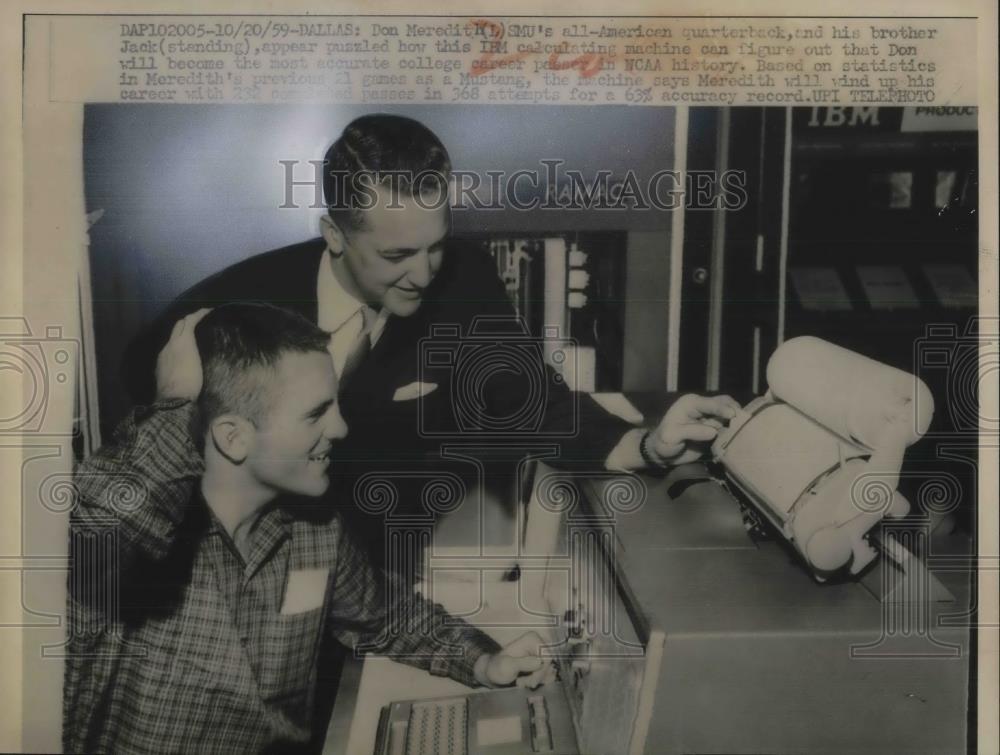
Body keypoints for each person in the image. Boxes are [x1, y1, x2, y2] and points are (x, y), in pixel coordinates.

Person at [122, 114, 740, 564]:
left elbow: (528, 402)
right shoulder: (230, 311)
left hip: (386, 574)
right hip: (250, 584)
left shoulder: (463, 279)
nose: (422, 273)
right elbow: (157, 456)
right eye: (396, 254)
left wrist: (648, 446)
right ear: (334, 234)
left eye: (435, 245)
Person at [65, 304, 556, 754]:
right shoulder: (125, 551)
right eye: (317, 413)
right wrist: (174, 404)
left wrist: (482, 661)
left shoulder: (314, 530)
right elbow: (100, 517)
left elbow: (388, 617)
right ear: (233, 437)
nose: (340, 429)